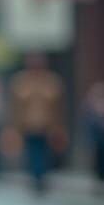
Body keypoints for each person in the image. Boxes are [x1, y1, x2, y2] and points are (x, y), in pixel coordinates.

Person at [6, 54, 67, 193]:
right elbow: (15, 108)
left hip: (47, 126)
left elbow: (59, 107)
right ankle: (36, 178)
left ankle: (41, 177)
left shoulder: (51, 81)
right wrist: (14, 128)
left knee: (44, 153)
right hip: (28, 126)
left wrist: (59, 127)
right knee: (33, 153)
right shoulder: (21, 81)